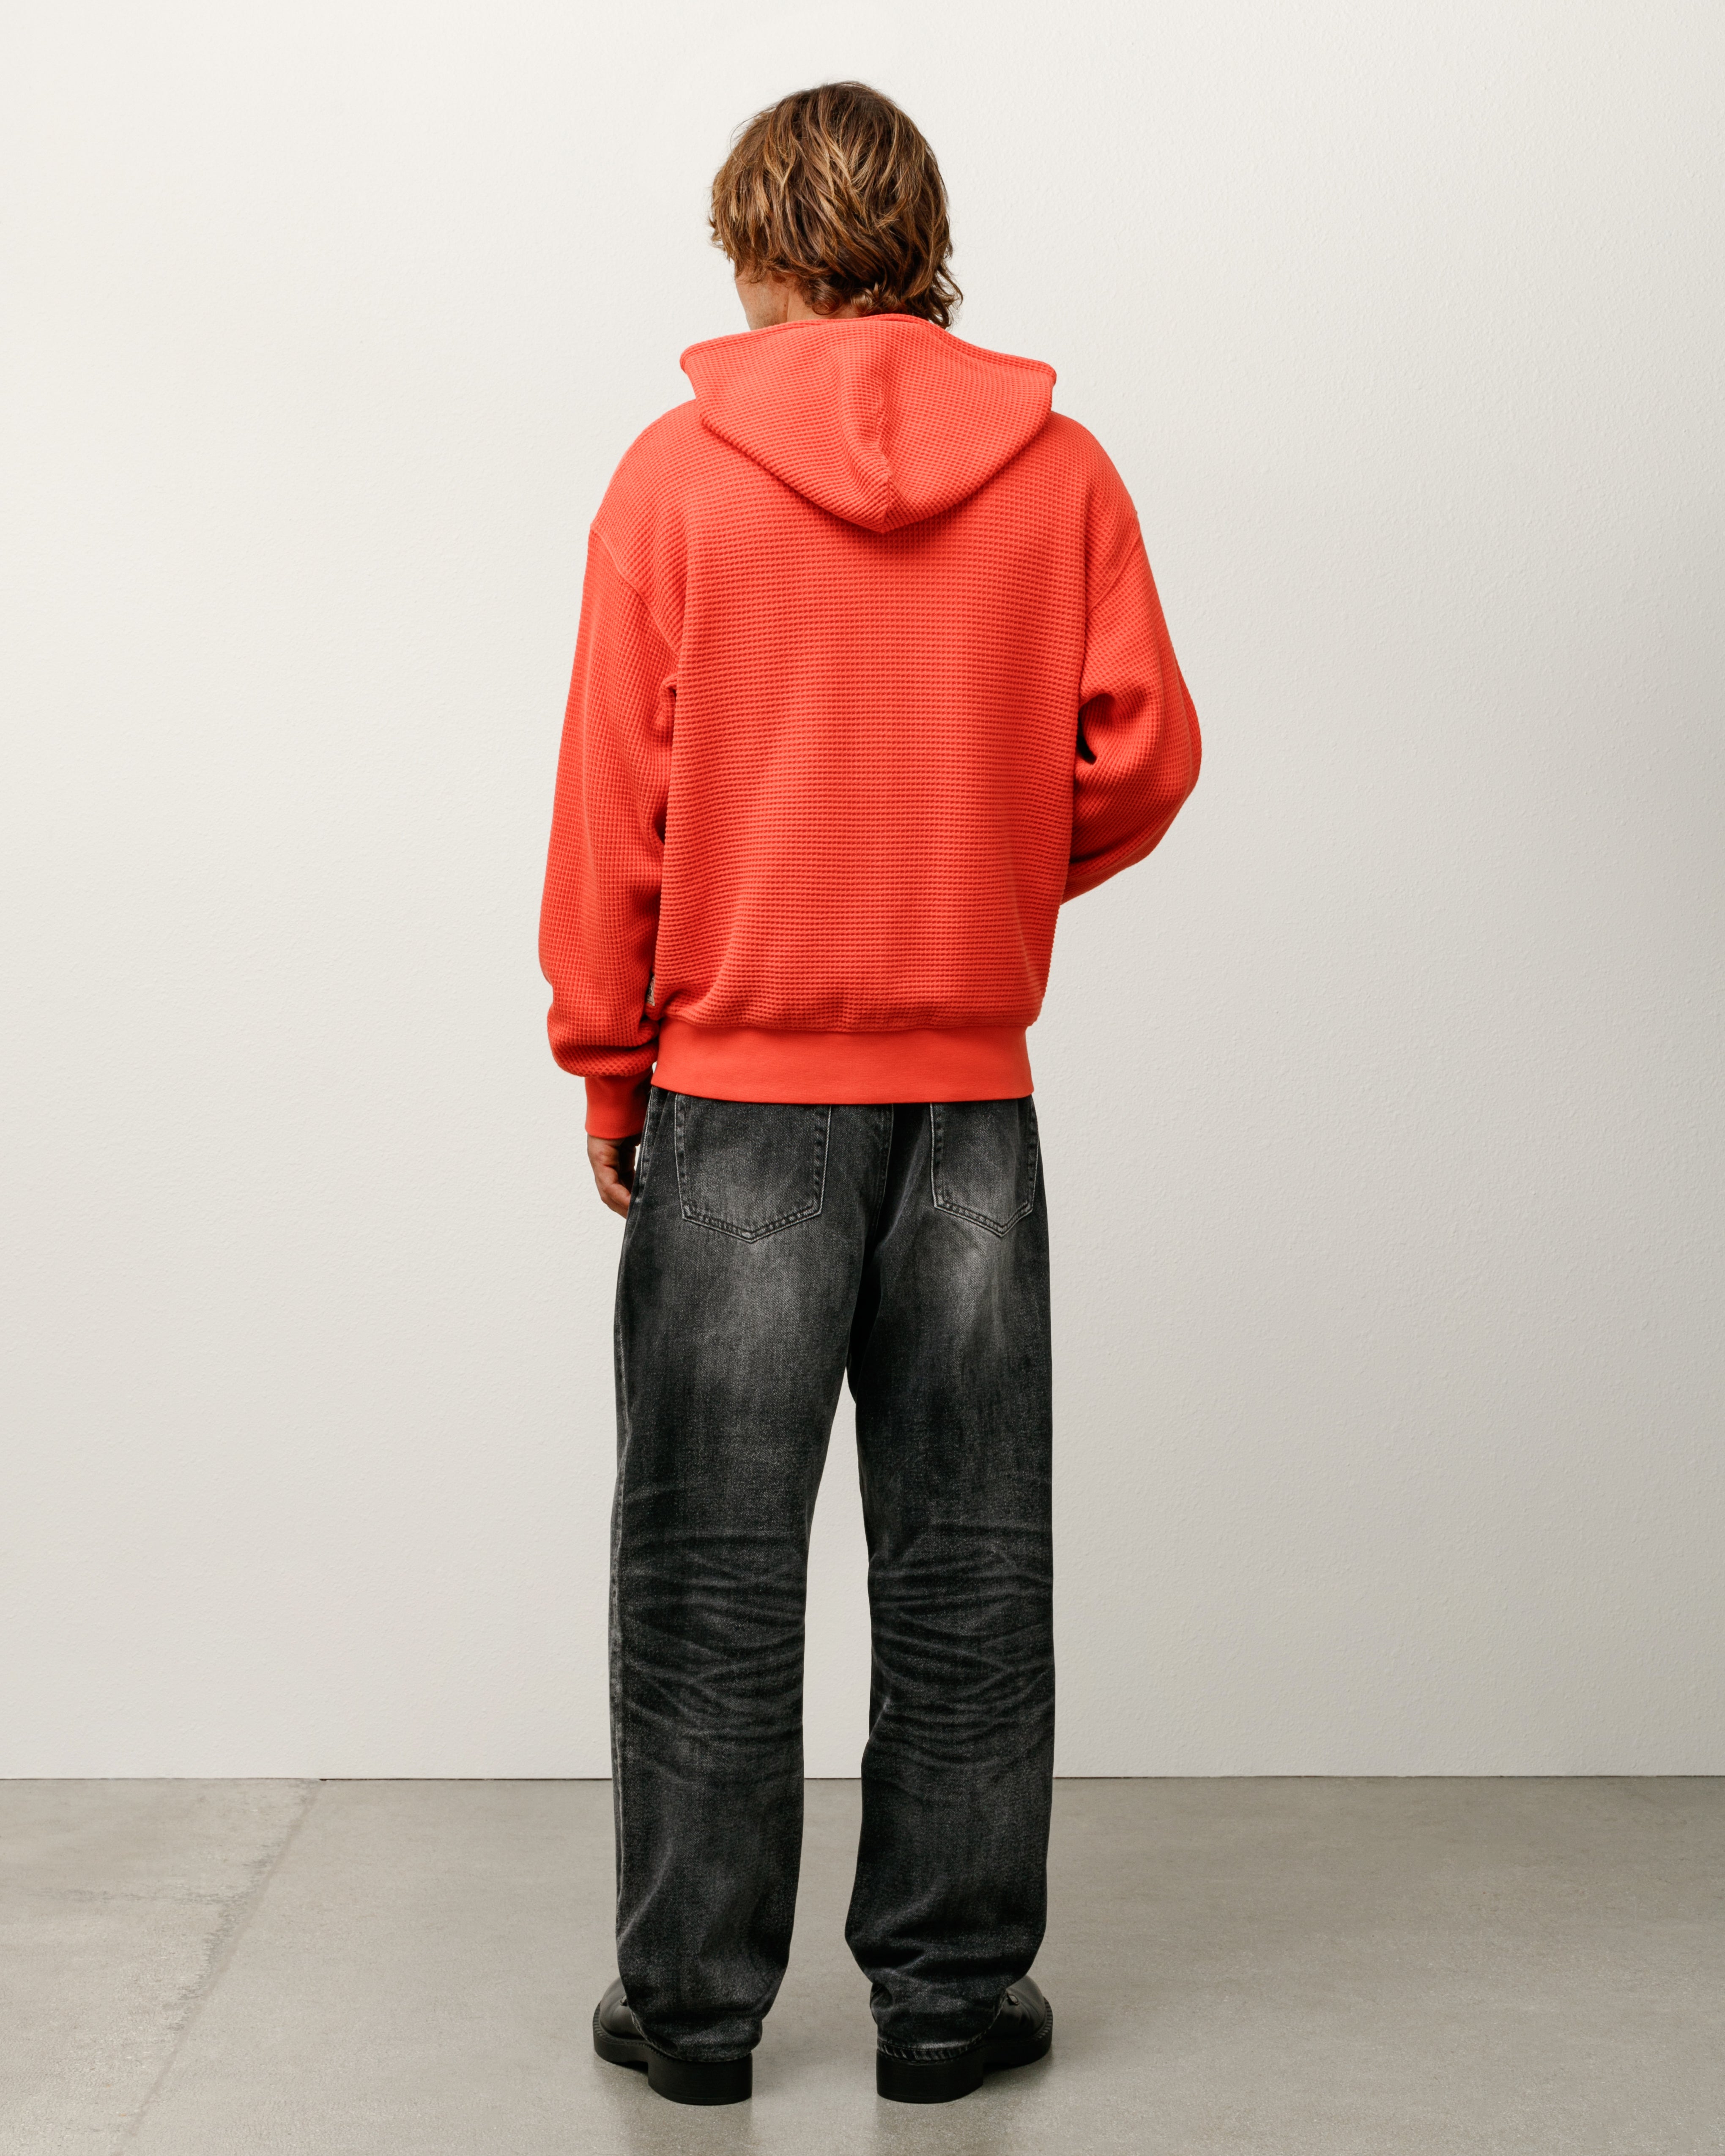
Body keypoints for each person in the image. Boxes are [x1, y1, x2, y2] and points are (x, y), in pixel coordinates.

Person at [538, 79, 1200, 2107]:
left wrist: (609, 1061)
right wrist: (981, 873)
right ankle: (947, 2002)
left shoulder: (675, 480)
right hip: (969, 1103)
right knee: (970, 1569)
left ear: (758, 246)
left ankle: (694, 2014)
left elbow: (615, 808)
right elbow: (1144, 754)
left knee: (710, 1575)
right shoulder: (1060, 473)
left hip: (737, 1095)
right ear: (923, 242)